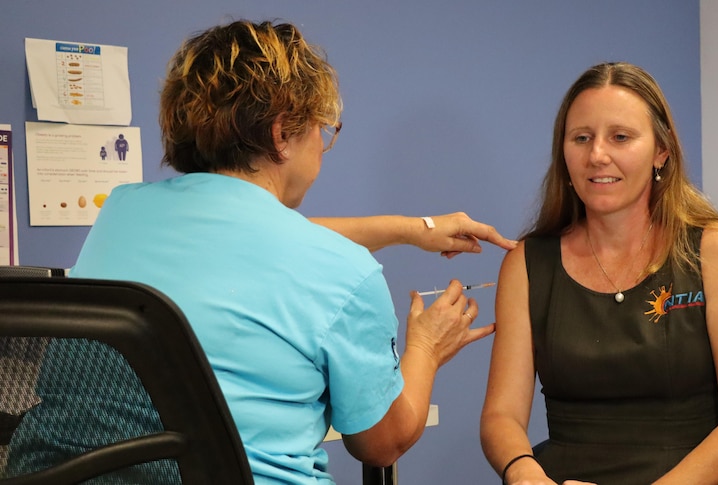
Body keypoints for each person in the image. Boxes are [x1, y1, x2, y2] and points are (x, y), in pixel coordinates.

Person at [7, 20, 516, 484]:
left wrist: (414, 229)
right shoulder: (344, 274)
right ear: (282, 135)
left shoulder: (122, 213)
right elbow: (380, 444)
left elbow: (255, 239)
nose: (324, 144)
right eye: (323, 128)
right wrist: (426, 349)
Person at [479, 62, 718, 485]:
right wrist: (524, 473)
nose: (597, 154)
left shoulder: (717, 251)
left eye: (620, 137)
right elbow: (500, 416)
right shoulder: (526, 264)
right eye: (581, 138)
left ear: (661, 151)